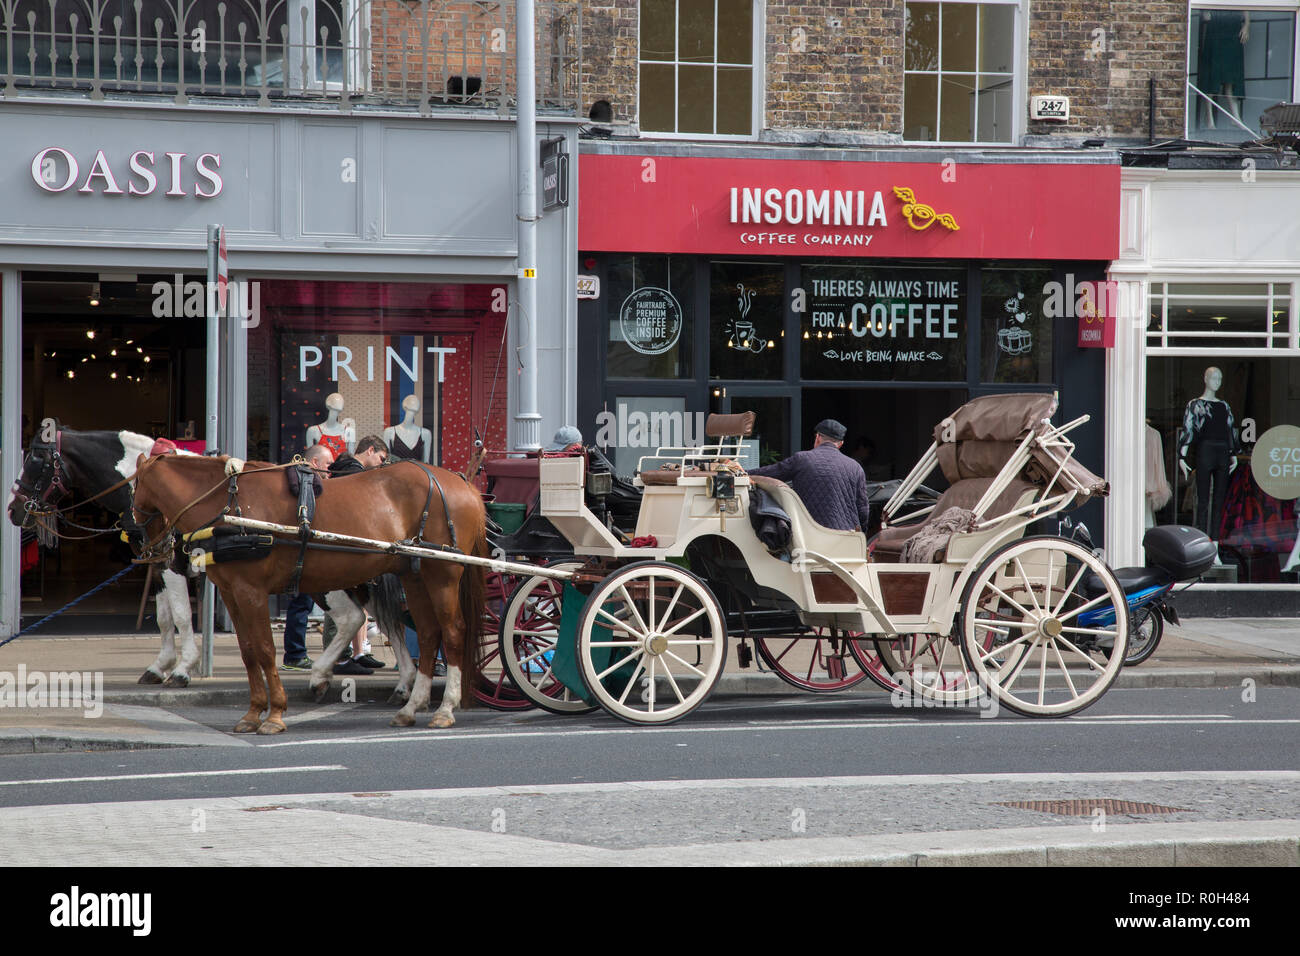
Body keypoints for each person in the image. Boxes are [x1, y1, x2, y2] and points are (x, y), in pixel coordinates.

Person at [324, 434, 390, 673]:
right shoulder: (354, 472)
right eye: (381, 458)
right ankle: (342, 658)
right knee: (343, 602)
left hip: (344, 545)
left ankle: (358, 652)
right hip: (345, 547)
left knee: (356, 602)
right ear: (370, 450)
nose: (382, 463)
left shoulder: (344, 468)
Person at [748, 419, 872, 532]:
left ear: (817, 437)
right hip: (844, 535)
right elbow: (863, 509)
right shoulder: (855, 467)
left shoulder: (802, 459)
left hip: (809, 533)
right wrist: (862, 532)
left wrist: (741, 472)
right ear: (840, 444)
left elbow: (771, 472)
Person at [279, 443, 335, 670]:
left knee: (303, 603)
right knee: (301, 603)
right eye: (328, 464)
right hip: (302, 555)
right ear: (315, 463)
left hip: (304, 554)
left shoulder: (302, 481)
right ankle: (294, 655)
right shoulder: (305, 483)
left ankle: (296, 654)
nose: (330, 470)